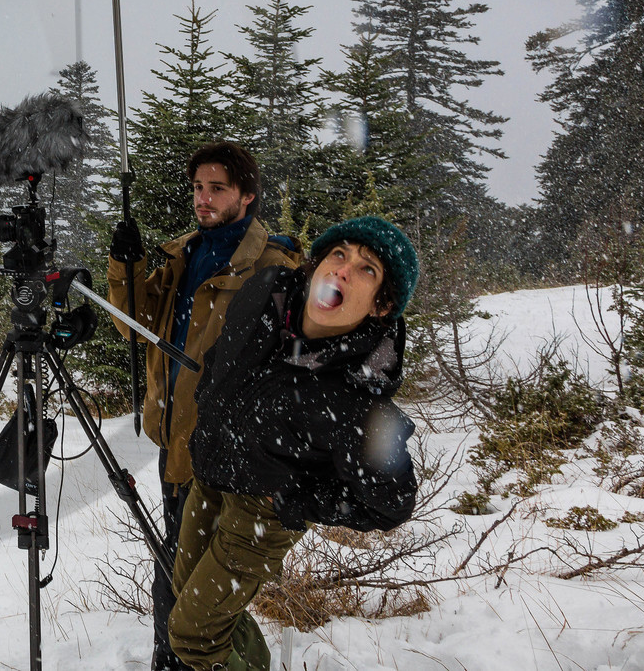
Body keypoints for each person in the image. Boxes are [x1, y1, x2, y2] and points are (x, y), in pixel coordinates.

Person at [172, 215, 420, 671]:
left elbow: (394, 502)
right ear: (317, 264)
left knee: (193, 636)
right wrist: (207, 413)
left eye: (367, 269)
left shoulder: (360, 399)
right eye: (338, 254)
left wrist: (297, 498)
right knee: (189, 602)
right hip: (211, 473)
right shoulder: (267, 291)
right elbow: (220, 355)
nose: (342, 270)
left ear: (381, 306)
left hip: (260, 512)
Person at [106, 141, 301, 671]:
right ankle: (179, 661)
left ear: (247, 194)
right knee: (180, 572)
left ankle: (191, 663)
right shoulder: (180, 255)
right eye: (198, 187)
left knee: (207, 586)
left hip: (228, 452)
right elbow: (131, 325)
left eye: (217, 188)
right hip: (177, 443)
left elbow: (290, 363)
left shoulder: (274, 262)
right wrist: (127, 266)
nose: (204, 198)